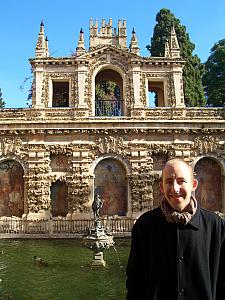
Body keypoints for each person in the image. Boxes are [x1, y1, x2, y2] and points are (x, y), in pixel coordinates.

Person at [126, 158, 225, 300]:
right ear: (161, 187)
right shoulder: (144, 226)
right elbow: (135, 283)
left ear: (194, 184)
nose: (175, 188)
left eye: (181, 181)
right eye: (169, 182)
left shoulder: (215, 226)